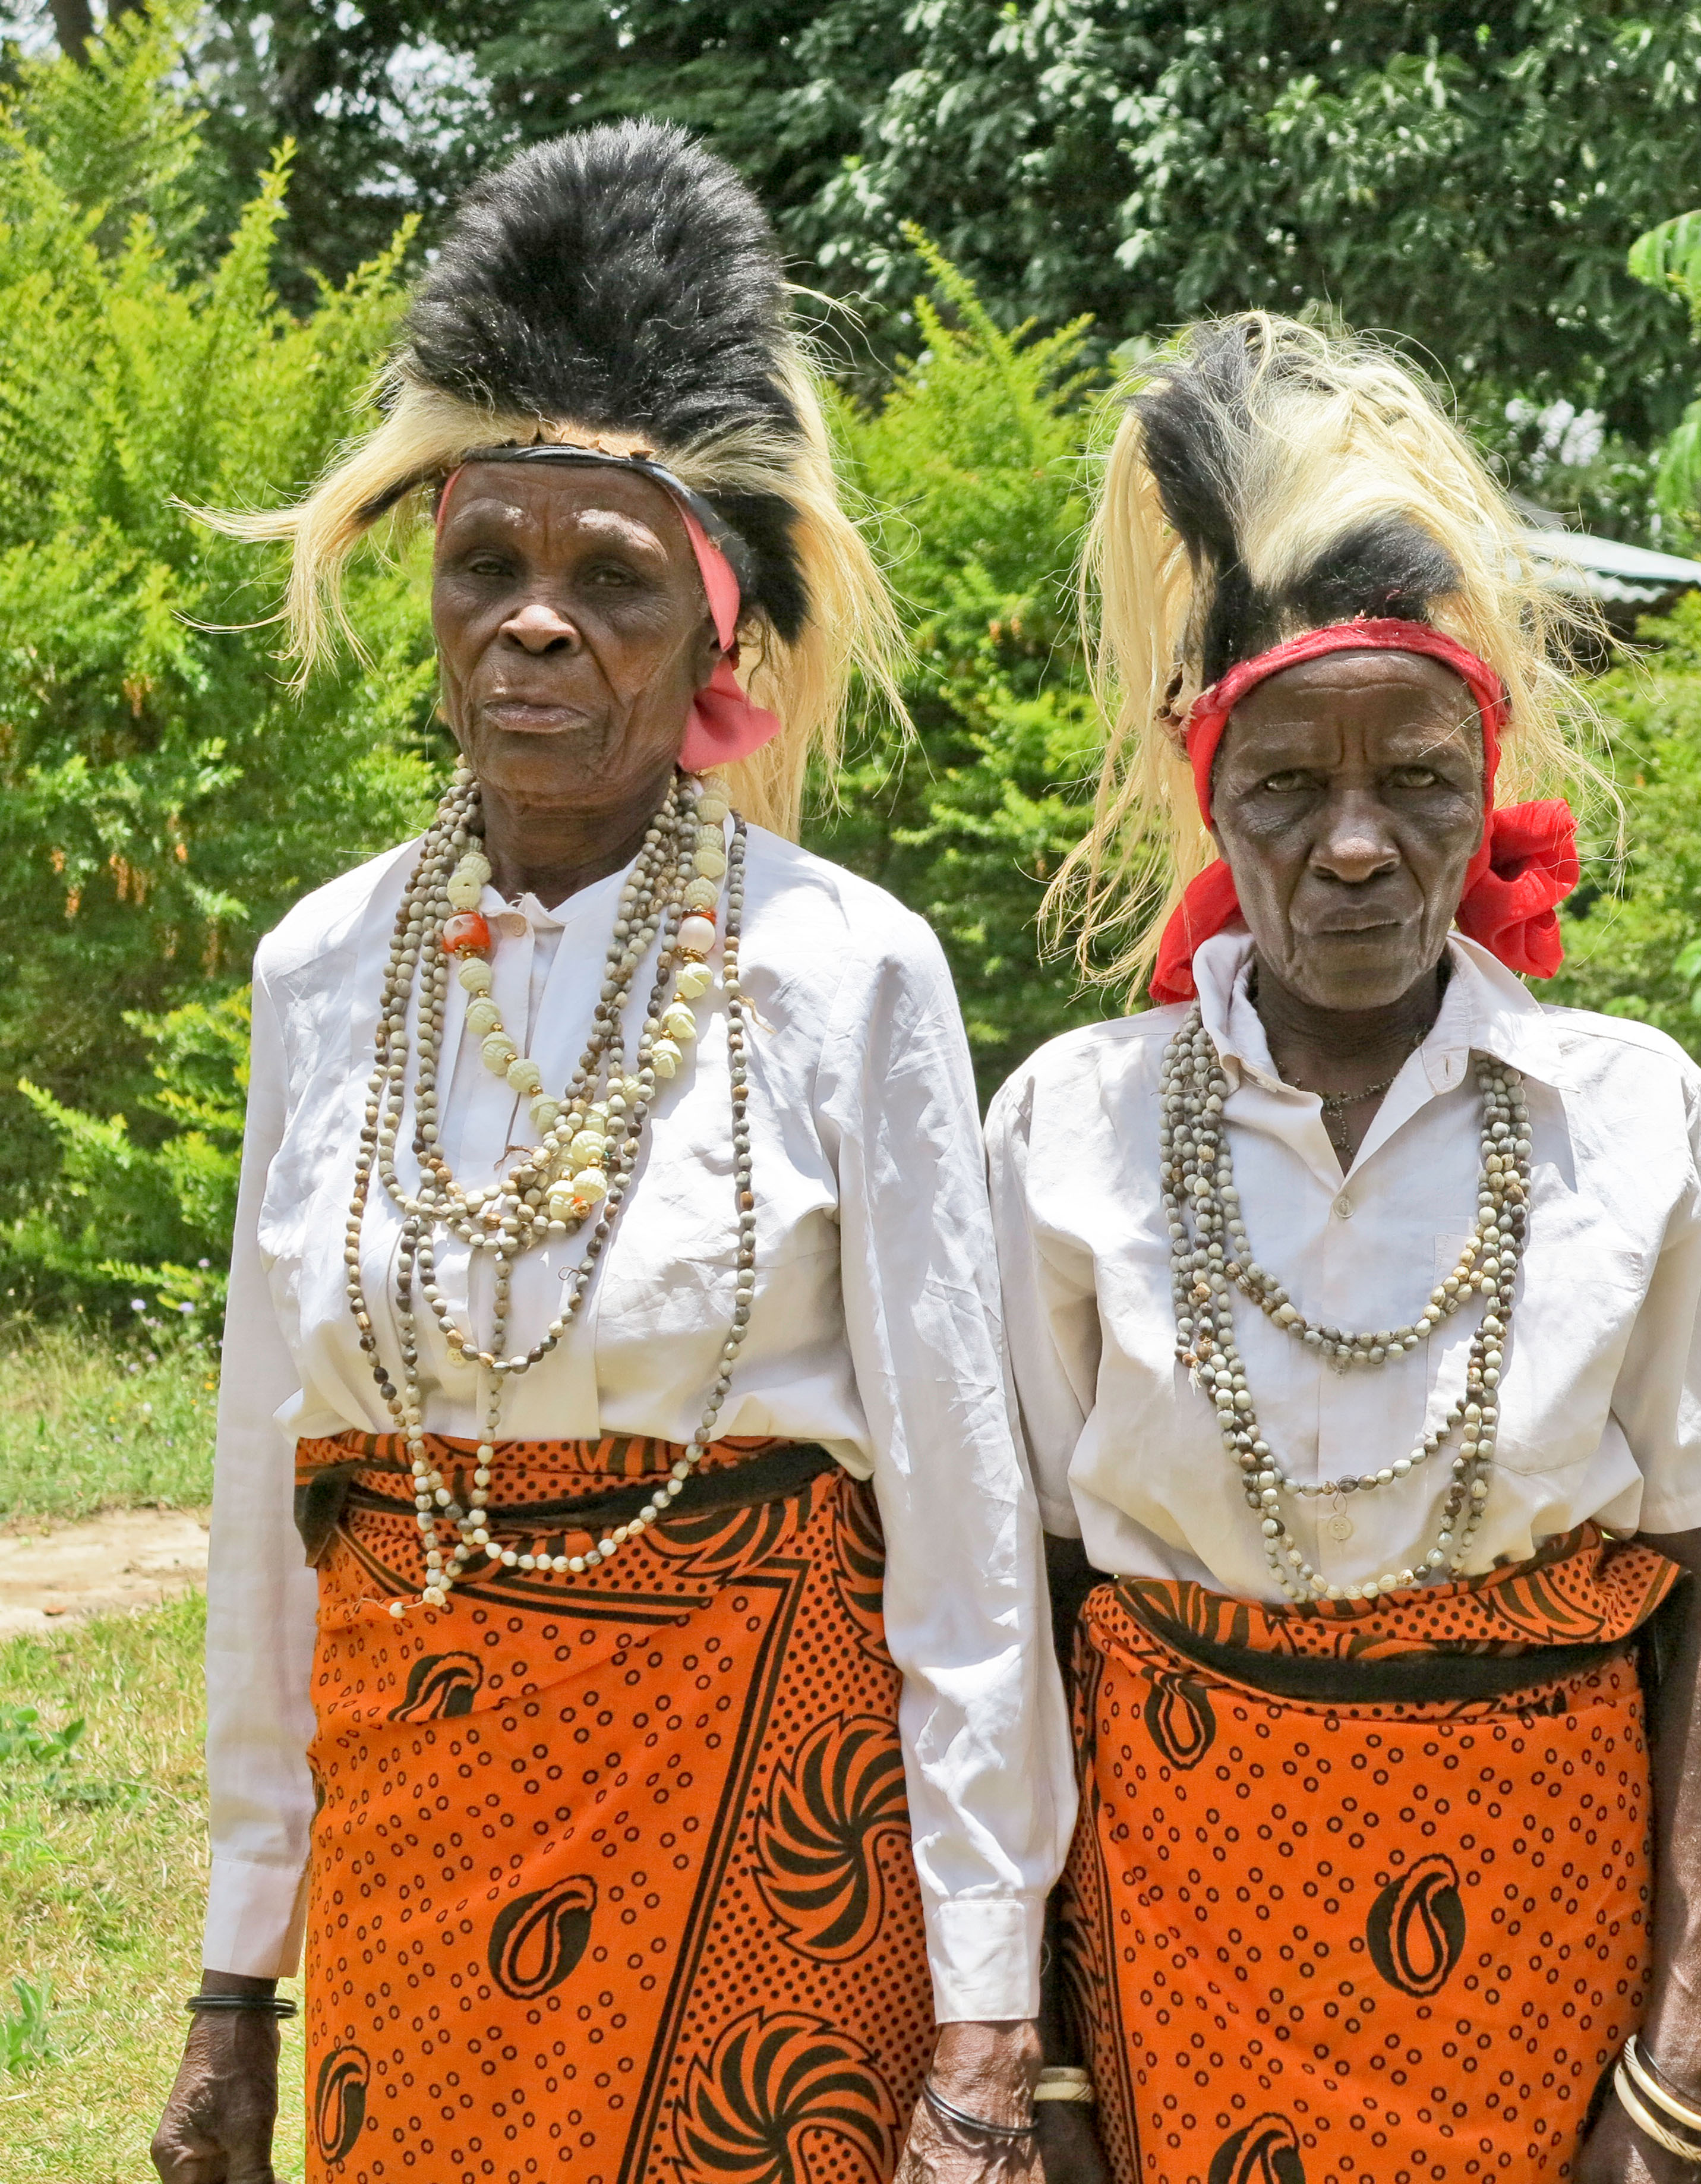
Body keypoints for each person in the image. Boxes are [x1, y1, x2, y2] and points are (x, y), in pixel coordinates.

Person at [150, 124, 1072, 2184]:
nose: (534, 626)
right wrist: (235, 1981)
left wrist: (989, 2026)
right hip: (414, 1863)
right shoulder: (323, 969)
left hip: (773, 1845)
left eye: (611, 581)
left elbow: (959, 1514)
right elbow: (255, 1489)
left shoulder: (847, 973)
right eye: (489, 566)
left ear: (713, 646)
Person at [986, 311, 1701, 2183]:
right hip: (1178, 1961)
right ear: (1213, 791)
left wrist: (1681, 2053)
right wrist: (1040, 2064)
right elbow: (1019, 1608)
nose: (1355, 844)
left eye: (1417, 779)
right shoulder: (1068, 1127)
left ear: (1483, 786)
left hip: (1548, 1957)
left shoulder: (1630, 1113)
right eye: (1288, 785)